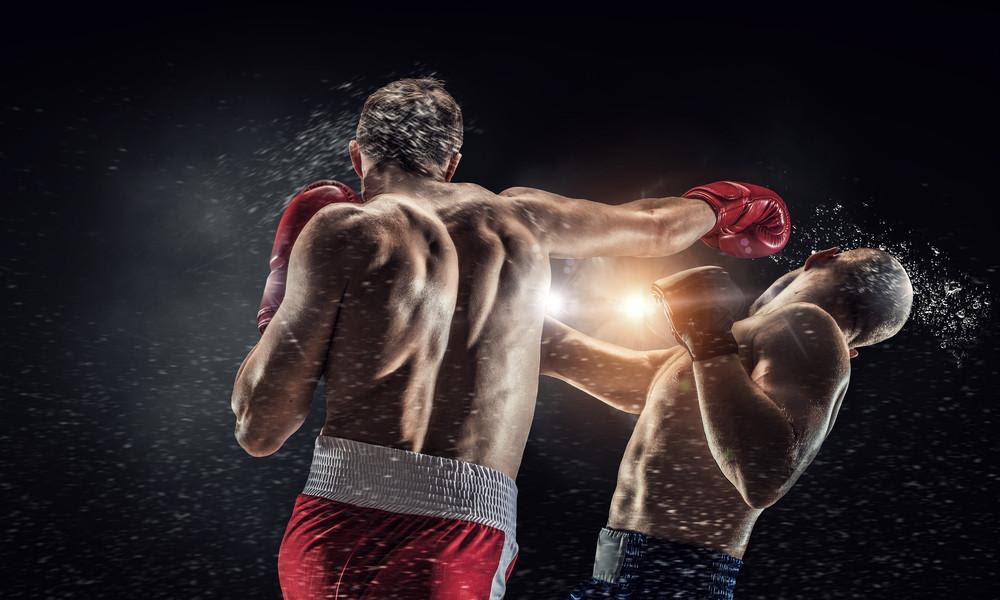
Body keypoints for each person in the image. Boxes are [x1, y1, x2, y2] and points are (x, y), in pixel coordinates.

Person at [230, 77, 790, 599]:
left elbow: (261, 429)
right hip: (467, 533)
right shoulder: (523, 220)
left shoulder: (343, 231)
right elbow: (656, 228)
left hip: (340, 518)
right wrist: (719, 208)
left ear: (357, 155)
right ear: (451, 162)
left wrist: (275, 308)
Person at [539, 247, 913, 599]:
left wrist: (708, 339)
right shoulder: (734, 350)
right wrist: (504, 287)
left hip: (672, 578)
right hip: (624, 574)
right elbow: (569, 355)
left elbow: (765, 476)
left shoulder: (807, 323)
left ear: (821, 256)